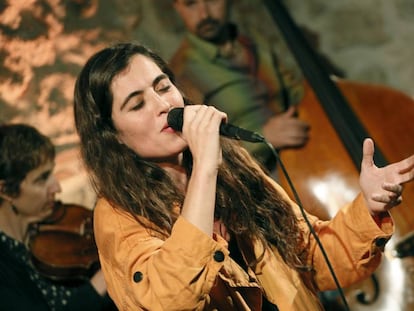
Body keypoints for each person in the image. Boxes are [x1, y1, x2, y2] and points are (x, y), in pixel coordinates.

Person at [73, 42, 414, 311]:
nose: (163, 104)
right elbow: (169, 298)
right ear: (112, 136)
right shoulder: (118, 213)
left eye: (163, 87)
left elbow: (311, 257)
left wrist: (368, 207)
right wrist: (206, 166)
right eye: (136, 105)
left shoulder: (234, 168)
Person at [168, 0, 314, 173]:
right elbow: (196, 152)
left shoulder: (255, 44)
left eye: (212, 1)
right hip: (255, 175)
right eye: (190, 4)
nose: (204, 14)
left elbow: (296, 93)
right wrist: (263, 137)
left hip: (301, 156)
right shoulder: (183, 72)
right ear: (178, 8)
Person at [0, 124, 117, 311]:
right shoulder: (5, 269)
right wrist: (104, 275)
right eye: (42, 179)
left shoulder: (53, 224)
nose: (57, 188)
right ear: (6, 191)